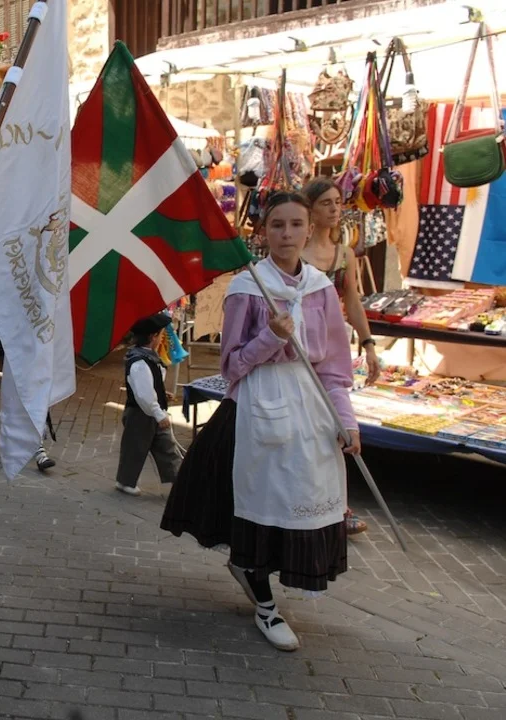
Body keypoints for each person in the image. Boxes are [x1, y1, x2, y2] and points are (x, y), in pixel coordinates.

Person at [161, 192, 359, 652]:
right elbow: (231, 367)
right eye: (277, 225)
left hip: (310, 412)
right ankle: (264, 602)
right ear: (263, 231)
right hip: (257, 407)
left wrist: (345, 420)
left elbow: (333, 365)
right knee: (260, 504)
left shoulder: (320, 288)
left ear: (310, 229)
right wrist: (271, 335)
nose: (287, 234)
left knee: (302, 499)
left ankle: (255, 574)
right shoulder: (246, 289)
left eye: (296, 225)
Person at [303, 177, 380, 536]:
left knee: (337, 424)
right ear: (311, 209)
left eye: (337, 202)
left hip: (332, 348)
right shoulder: (297, 253)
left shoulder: (344, 254)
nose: (335, 209)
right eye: (326, 203)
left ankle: (339, 505)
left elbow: (353, 301)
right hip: (301, 347)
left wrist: (368, 344)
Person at [114, 314, 182, 496]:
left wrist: (161, 395)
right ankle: (125, 481)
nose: (162, 339)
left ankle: (180, 480)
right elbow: (143, 394)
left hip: (150, 412)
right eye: (161, 335)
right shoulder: (139, 362)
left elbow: (149, 386)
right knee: (135, 447)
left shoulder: (147, 357)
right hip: (140, 414)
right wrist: (158, 413)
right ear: (153, 337)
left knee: (167, 447)